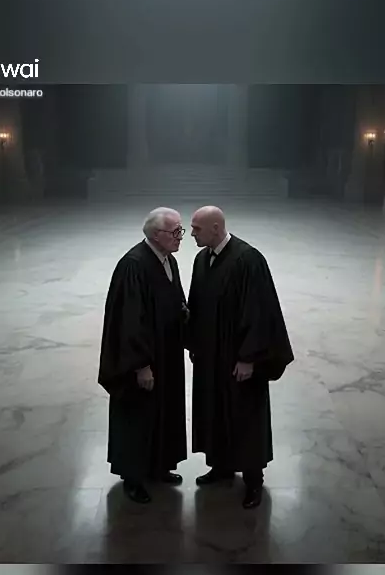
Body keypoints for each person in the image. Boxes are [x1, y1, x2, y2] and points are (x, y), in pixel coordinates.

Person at [187, 206, 294, 509]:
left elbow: (260, 311)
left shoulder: (248, 260)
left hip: (238, 359)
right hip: (210, 356)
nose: (191, 234)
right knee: (214, 410)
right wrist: (194, 342)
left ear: (216, 228)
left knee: (245, 415)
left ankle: (253, 479)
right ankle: (220, 466)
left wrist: (249, 357)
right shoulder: (202, 259)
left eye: (196, 228)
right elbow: (196, 304)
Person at [98, 207, 188, 504]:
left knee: (162, 411)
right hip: (144, 360)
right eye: (175, 231)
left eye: (181, 230)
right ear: (156, 235)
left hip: (166, 354)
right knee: (137, 416)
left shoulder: (168, 260)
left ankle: (158, 465)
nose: (180, 237)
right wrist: (141, 365)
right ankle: (133, 477)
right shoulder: (133, 265)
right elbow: (129, 320)